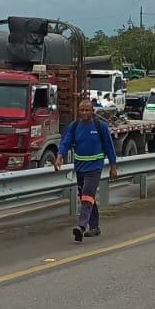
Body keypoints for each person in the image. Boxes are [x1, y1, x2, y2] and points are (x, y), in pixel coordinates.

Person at [54, 99, 118, 243]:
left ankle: (81, 226)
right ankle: (94, 227)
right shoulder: (74, 126)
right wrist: (59, 157)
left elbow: (109, 147)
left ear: (92, 111)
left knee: (87, 195)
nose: (84, 112)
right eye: (82, 110)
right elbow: (66, 142)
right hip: (80, 167)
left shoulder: (100, 126)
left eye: (87, 110)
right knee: (86, 197)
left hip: (95, 168)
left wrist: (113, 167)